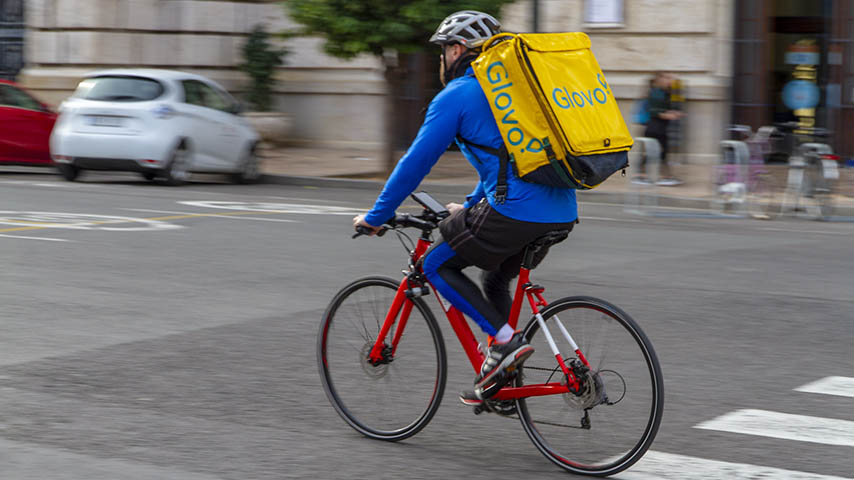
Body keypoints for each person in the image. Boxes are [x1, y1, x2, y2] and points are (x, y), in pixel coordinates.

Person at [351, 11, 578, 405]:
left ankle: (504, 343)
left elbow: (415, 163)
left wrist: (377, 216)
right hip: (562, 210)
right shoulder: (514, 92)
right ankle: (503, 384)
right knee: (495, 278)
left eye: (442, 51)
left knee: (436, 265)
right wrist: (472, 205)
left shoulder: (456, 95)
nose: (442, 60)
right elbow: (507, 161)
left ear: (457, 50)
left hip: (516, 211)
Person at [633, 72, 684, 186]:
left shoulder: (665, 92)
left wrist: (673, 113)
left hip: (660, 128)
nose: (670, 80)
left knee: (660, 153)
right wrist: (669, 115)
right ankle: (644, 176)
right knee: (655, 153)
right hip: (655, 128)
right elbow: (655, 111)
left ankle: (661, 177)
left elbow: (663, 109)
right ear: (659, 80)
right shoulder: (656, 93)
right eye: (667, 78)